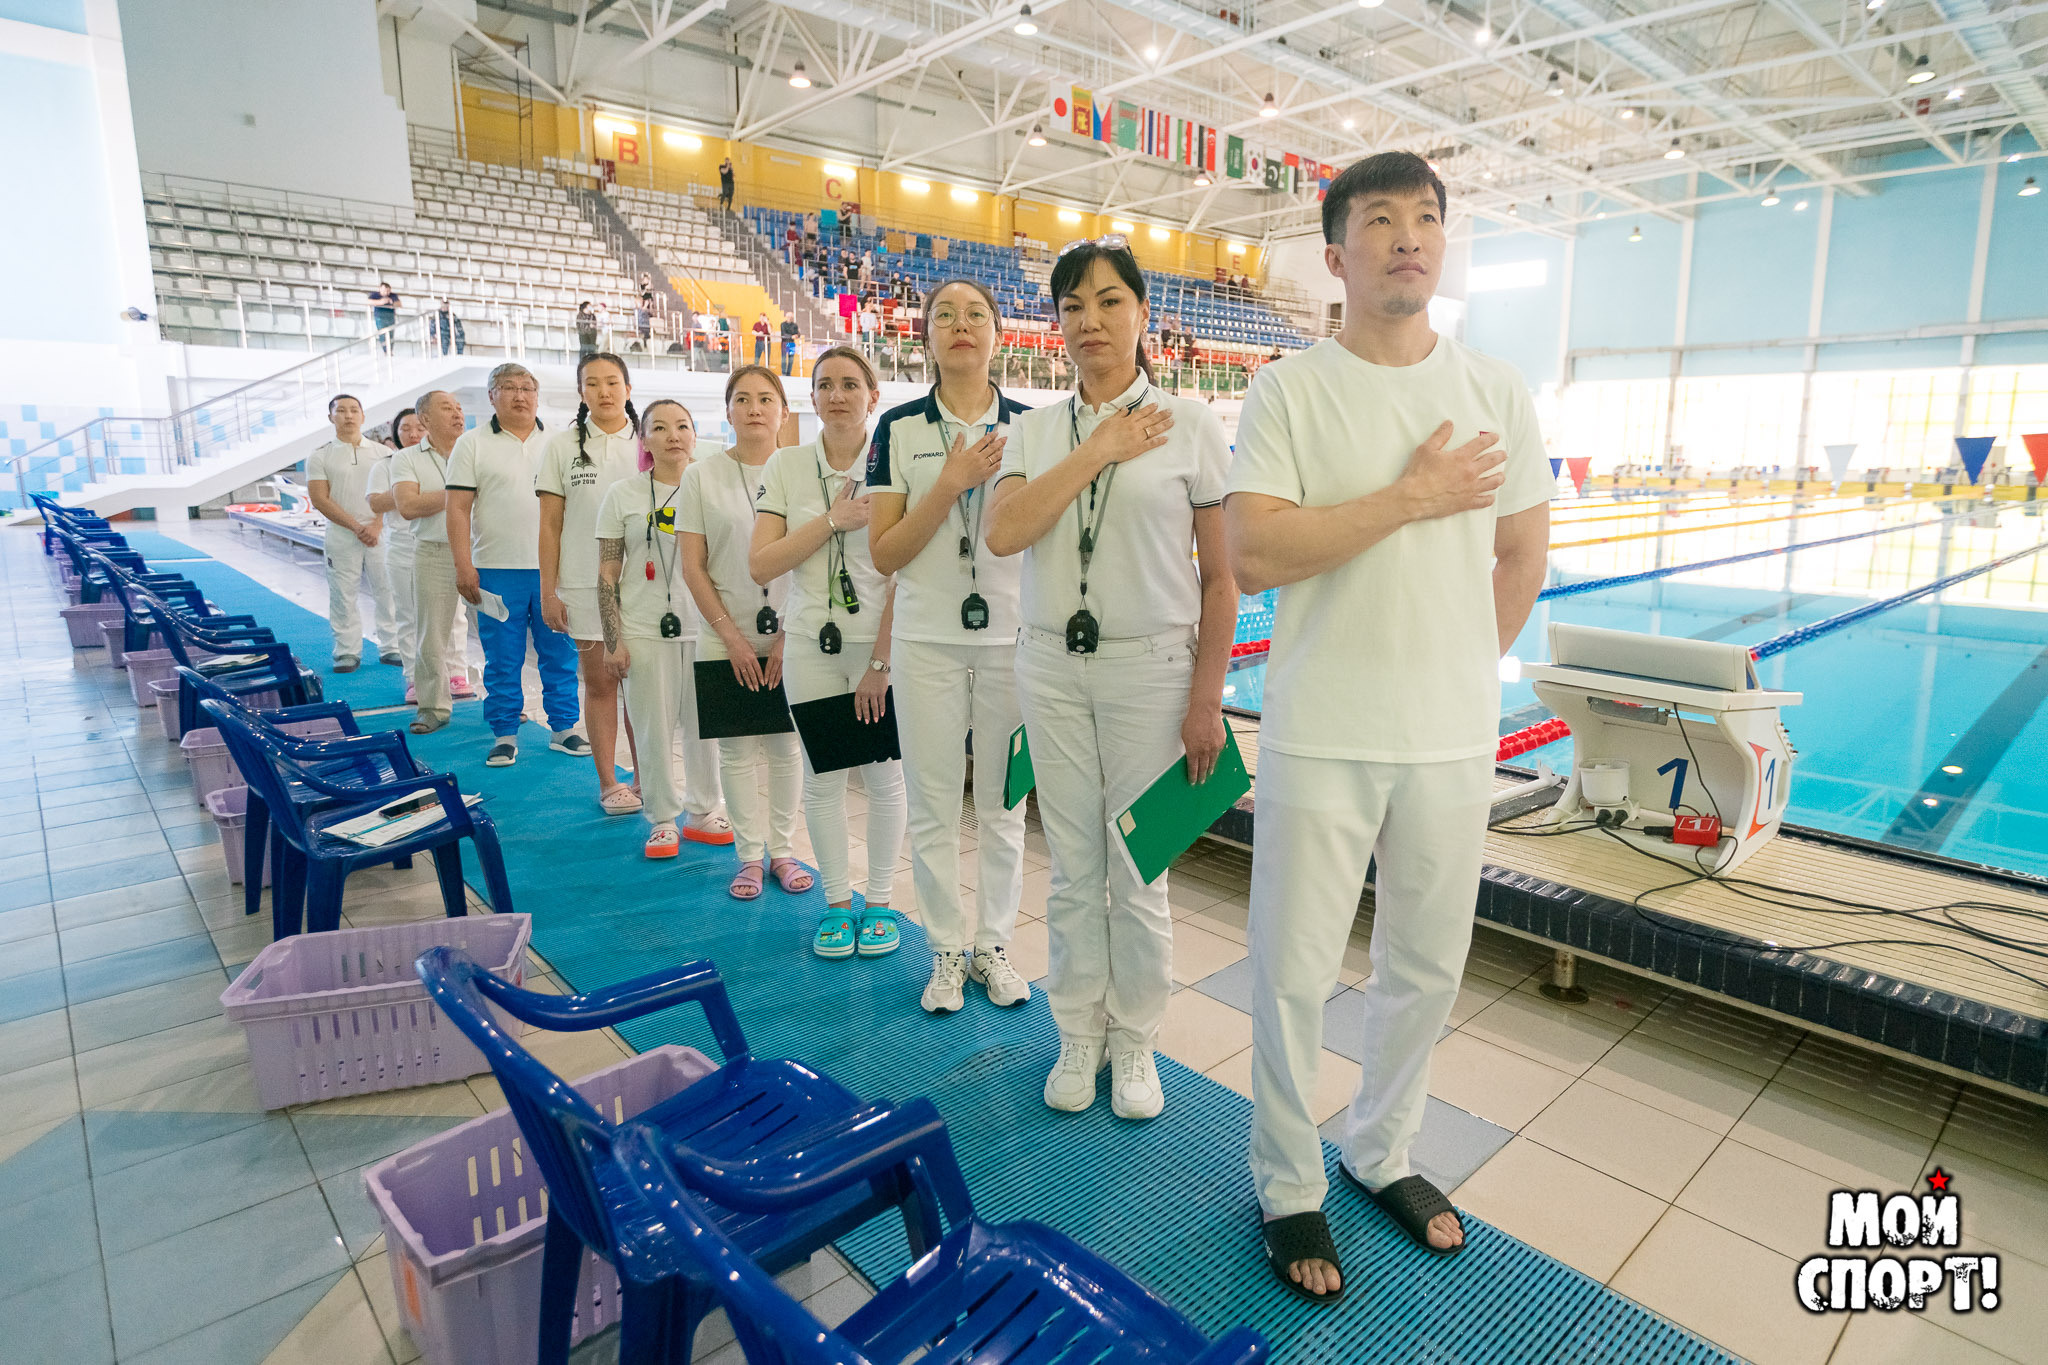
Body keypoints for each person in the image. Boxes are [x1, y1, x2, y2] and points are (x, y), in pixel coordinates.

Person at [1226, 152, 1552, 1304]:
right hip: (1321, 727)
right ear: (1334, 254)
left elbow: (1519, 553)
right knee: (1292, 972)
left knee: (1424, 962)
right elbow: (1255, 552)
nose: (1409, 237)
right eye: (1380, 220)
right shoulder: (1288, 391)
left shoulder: (1497, 389)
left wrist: (1461, 664)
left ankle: (1379, 1148)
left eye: (1425, 219)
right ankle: (1283, 1180)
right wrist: (1410, 498)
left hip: (1452, 735)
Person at [986, 238, 1237, 1122]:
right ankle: (1077, 1030)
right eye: (1072, 306)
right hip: (1050, 663)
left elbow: (1222, 577)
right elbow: (1005, 532)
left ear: (1142, 314)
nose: (1089, 321)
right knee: (1071, 868)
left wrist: (1206, 697)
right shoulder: (1034, 429)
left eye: (1108, 302)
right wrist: (1098, 450)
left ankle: (1135, 1037)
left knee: (1141, 866)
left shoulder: (1193, 425)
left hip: (1155, 669)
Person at [867, 279, 1033, 1014]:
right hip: (927, 641)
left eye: (976, 314)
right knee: (933, 804)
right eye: (944, 315)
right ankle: (943, 948)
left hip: (1011, 640)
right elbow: (884, 553)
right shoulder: (897, 429)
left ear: (999, 333)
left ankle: (993, 943)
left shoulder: (1034, 428)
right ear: (925, 336)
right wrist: (951, 483)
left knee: (1004, 803)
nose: (960, 325)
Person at [750, 347, 906, 958]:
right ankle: (838, 902)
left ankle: (884, 900)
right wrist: (834, 521)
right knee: (822, 777)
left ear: (873, 396)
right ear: (811, 398)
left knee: (885, 777)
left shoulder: (894, 462)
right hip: (812, 645)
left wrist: (881, 664)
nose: (836, 394)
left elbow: (904, 576)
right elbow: (763, 562)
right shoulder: (787, 466)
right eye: (824, 385)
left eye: (850, 384)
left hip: (877, 646)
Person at [678, 366, 807, 901]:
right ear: (727, 410)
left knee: (785, 747)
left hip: (792, 629)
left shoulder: (804, 471)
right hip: (721, 630)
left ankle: (783, 850)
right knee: (735, 752)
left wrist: (785, 635)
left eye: (766, 398)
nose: (754, 408)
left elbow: (814, 562)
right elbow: (693, 566)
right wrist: (731, 636)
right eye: (742, 399)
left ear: (782, 409)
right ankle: (748, 857)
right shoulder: (701, 475)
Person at [596, 400, 735, 857]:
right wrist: (612, 641)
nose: (673, 434)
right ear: (645, 440)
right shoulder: (623, 494)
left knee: (705, 726)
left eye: (682, 425)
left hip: (706, 626)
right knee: (652, 726)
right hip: (642, 627)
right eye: (660, 427)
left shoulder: (713, 488)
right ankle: (661, 817)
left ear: (695, 435)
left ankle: (704, 809)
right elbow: (607, 573)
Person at [445, 363, 584, 767]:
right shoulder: (471, 444)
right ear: (492, 396)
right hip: (496, 568)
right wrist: (463, 565)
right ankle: (504, 733)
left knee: (559, 652)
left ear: (537, 396)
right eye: (508, 387)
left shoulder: (560, 442)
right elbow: (457, 509)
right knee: (502, 656)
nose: (519, 395)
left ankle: (564, 728)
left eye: (527, 388)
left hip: (553, 569)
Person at [539, 352, 645, 812]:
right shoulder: (563, 446)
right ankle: (609, 782)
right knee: (601, 683)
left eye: (612, 382)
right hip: (585, 582)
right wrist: (549, 591)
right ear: (581, 393)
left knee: (645, 687)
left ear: (627, 387)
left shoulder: (649, 439)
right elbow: (549, 525)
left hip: (647, 585)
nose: (604, 392)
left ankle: (648, 777)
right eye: (593, 384)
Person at [392, 390, 477, 733]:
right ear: (425, 420)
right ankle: (433, 707)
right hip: (433, 551)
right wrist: (459, 492)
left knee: (501, 631)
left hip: (480, 550)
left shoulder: (476, 450)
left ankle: (505, 704)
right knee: (430, 634)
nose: (457, 414)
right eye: (447, 408)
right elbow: (408, 506)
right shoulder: (407, 459)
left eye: (459, 407)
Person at [306, 394, 399, 672]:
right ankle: (347, 650)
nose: (348, 415)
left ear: (363, 416)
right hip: (342, 534)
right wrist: (357, 527)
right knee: (343, 593)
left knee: (388, 590)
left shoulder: (383, 454)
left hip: (380, 532)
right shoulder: (320, 455)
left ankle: (391, 646)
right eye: (341, 411)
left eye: (354, 410)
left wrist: (376, 524)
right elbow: (320, 499)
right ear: (330, 417)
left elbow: (393, 492)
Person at [367, 408, 424, 700]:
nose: (414, 434)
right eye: (406, 429)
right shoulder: (386, 465)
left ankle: (455, 675)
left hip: (443, 544)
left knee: (454, 618)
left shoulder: (445, 460)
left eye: (419, 427)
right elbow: (376, 503)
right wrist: (408, 491)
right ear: (395, 434)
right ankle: (415, 677)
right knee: (407, 614)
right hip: (402, 546)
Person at [368, 281, 399, 350]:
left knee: (391, 334)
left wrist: (392, 302)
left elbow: (399, 304)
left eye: (388, 291)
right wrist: (381, 302)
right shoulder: (375, 295)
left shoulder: (393, 295)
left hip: (390, 316)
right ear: (380, 289)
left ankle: (390, 350)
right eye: (385, 290)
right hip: (380, 317)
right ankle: (385, 350)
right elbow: (369, 302)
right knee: (382, 334)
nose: (386, 292)